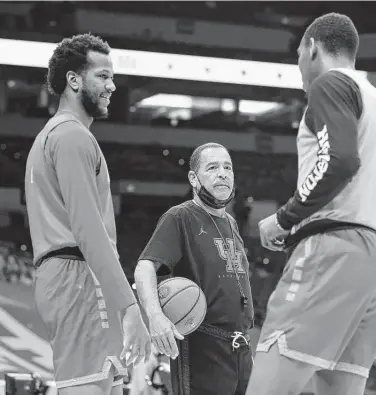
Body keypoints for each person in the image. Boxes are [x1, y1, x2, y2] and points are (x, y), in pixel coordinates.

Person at [246, 13, 376, 395]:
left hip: (331, 254)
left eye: (299, 54)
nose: (299, 66)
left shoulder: (329, 83)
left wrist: (286, 219)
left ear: (312, 48)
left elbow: (340, 161)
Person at [24, 34, 150, 395]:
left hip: (66, 276)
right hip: (78, 276)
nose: (112, 86)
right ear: (74, 80)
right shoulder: (72, 137)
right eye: (103, 76)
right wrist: (129, 306)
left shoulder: (52, 136)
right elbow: (88, 229)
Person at [134, 142, 254, 395]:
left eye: (227, 167)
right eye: (212, 167)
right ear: (193, 178)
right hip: (202, 346)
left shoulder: (231, 223)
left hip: (240, 348)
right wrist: (155, 317)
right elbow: (144, 266)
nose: (222, 173)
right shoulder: (180, 217)